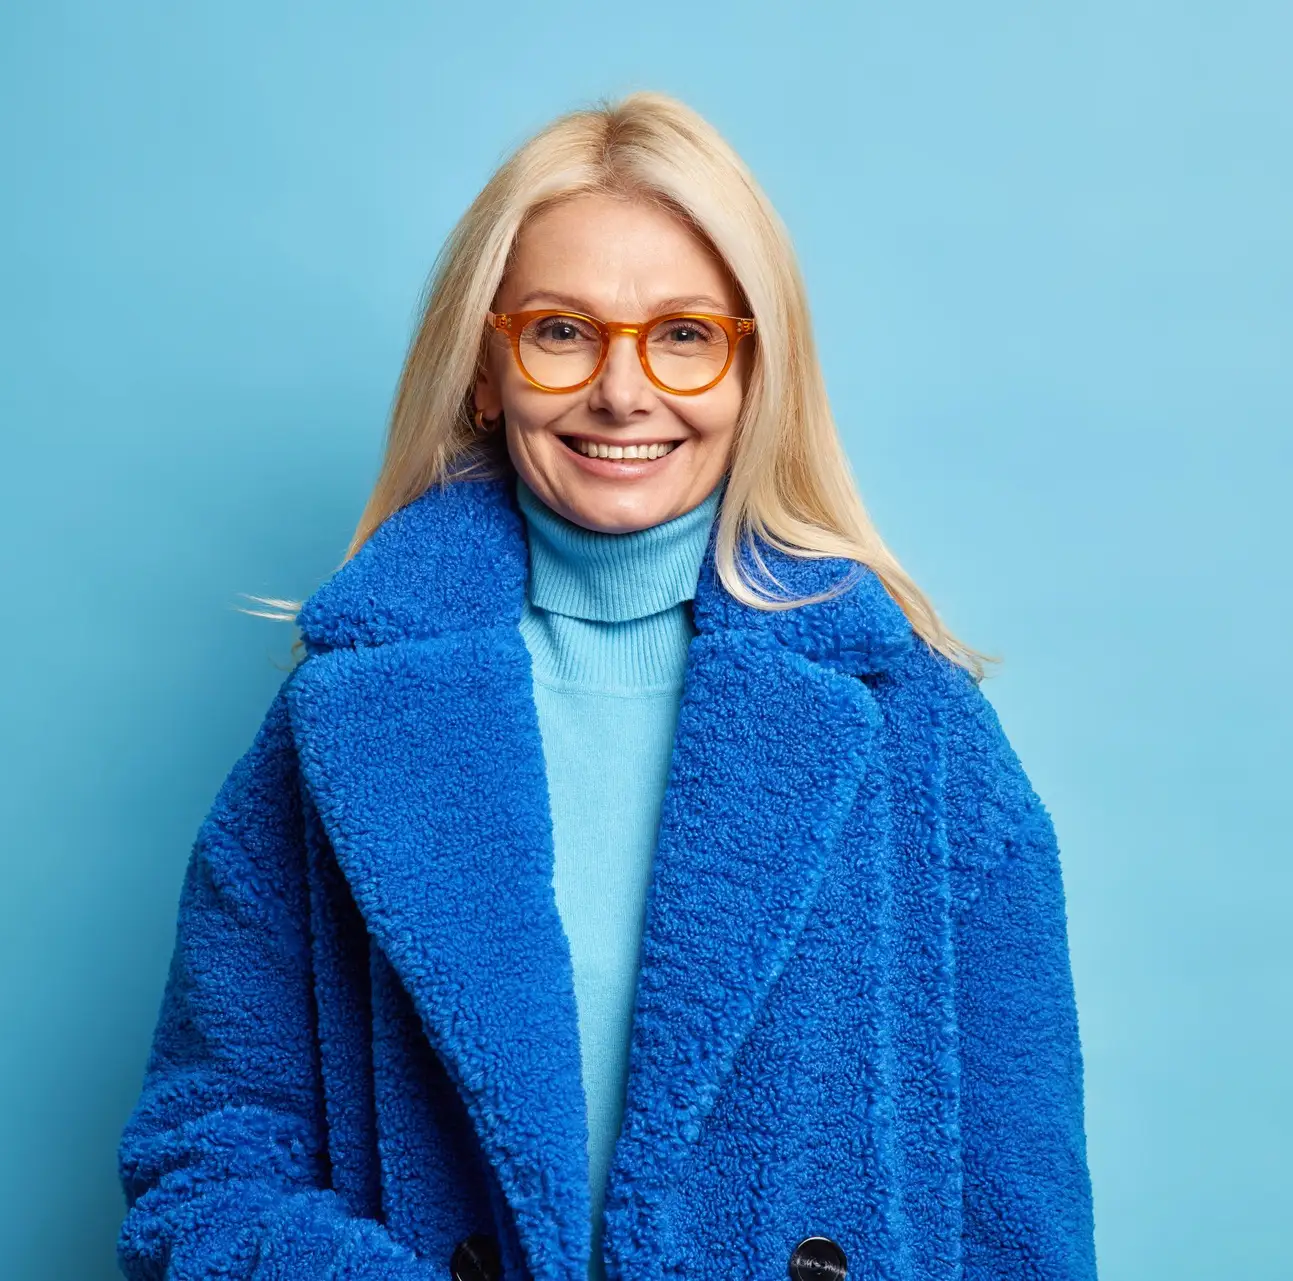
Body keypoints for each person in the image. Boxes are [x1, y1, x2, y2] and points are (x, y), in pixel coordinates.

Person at [115, 91, 1096, 1281]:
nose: (623, 393)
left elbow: (1021, 1217)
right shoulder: (341, 726)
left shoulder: (915, 725)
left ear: (753, 374)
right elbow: (204, 1167)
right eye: (563, 332)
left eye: (684, 334)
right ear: (485, 368)